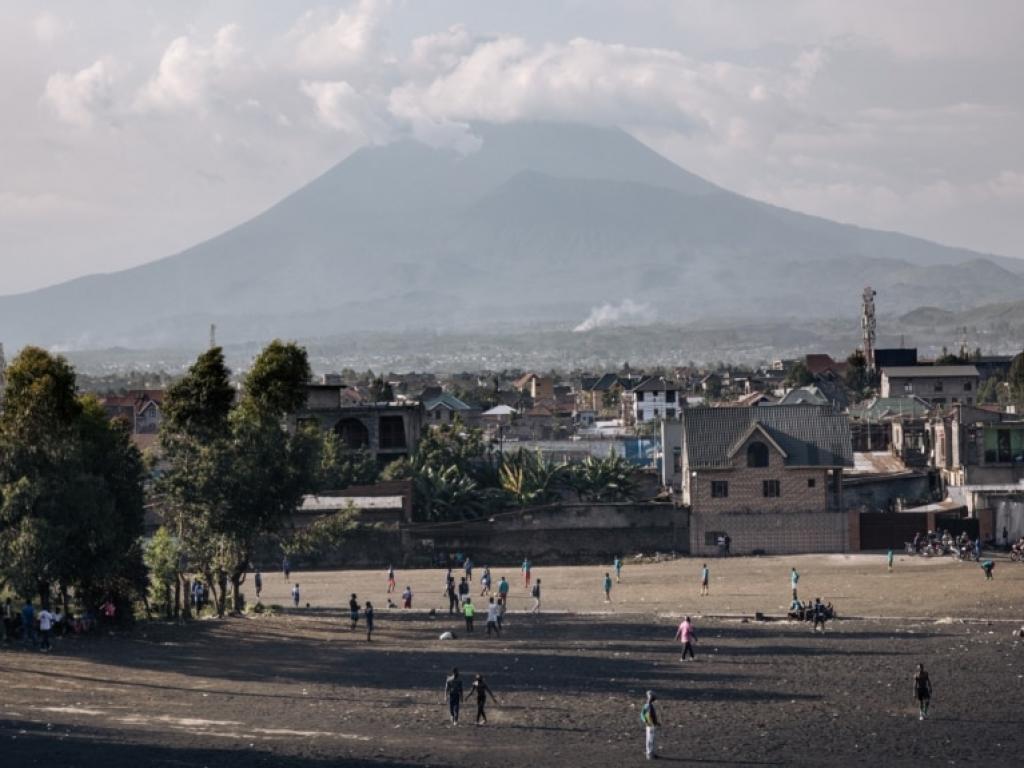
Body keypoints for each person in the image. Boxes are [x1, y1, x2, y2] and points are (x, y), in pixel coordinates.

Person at [640, 690, 660, 760]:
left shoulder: (648, 705)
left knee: (651, 739)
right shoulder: (648, 705)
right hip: (650, 724)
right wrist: (646, 721)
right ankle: (649, 754)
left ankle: (651, 753)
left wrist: (656, 722)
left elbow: (643, 714)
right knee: (650, 739)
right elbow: (642, 714)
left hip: (650, 724)